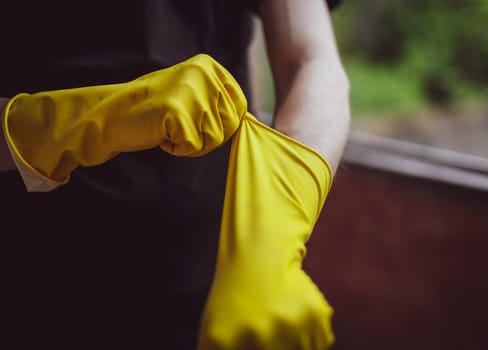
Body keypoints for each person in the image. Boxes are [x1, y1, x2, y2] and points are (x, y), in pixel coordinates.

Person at [0, 0, 350, 349]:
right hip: (30, 284)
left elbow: (312, 61)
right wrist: (67, 122)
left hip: (211, 287)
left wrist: (270, 240)